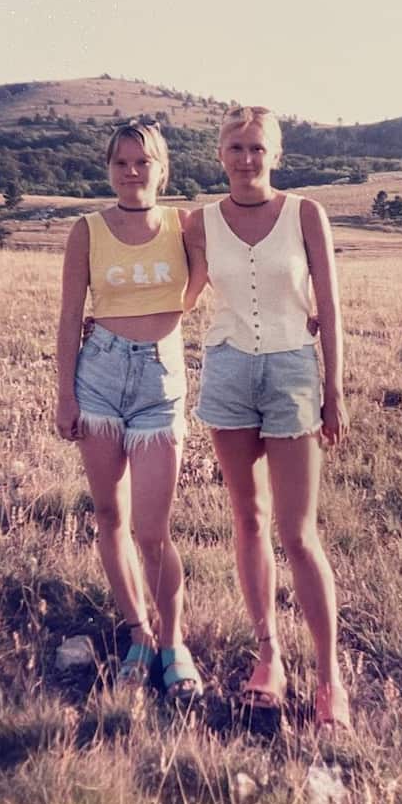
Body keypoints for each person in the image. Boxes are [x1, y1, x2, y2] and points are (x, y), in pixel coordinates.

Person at [183, 105, 351, 730]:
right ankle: (269, 656)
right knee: (248, 518)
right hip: (228, 373)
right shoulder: (199, 223)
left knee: (298, 532)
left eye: (257, 148)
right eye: (236, 148)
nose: (247, 158)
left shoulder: (306, 213)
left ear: (275, 153)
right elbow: (182, 294)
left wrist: (335, 391)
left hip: (292, 376)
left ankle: (330, 678)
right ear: (220, 155)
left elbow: (329, 306)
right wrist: (111, 314)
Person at [55, 120, 207, 701]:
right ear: (109, 169)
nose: (132, 172)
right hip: (97, 376)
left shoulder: (182, 224)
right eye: (121, 162)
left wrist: (167, 314)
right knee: (109, 517)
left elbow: (198, 285)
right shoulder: (87, 230)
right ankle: (137, 632)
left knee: (152, 530)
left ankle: (174, 643)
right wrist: (65, 394)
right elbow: (71, 316)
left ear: (162, 168)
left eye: (143, 162)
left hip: (159, 378)